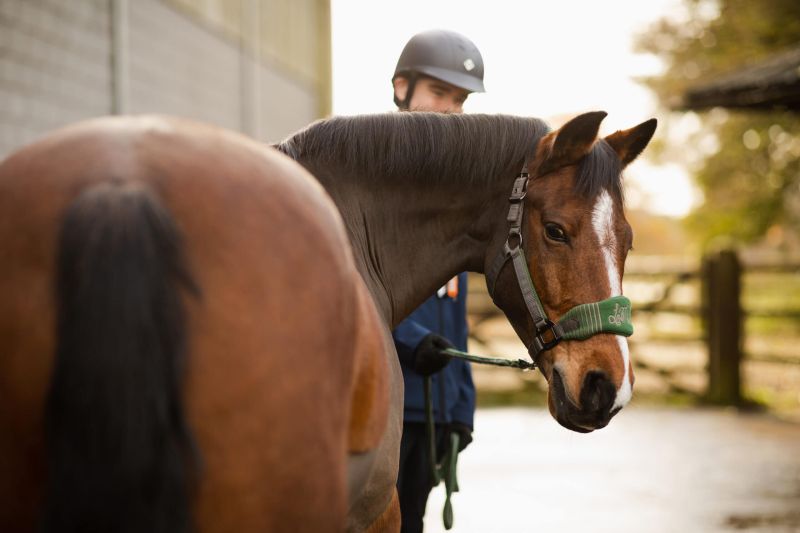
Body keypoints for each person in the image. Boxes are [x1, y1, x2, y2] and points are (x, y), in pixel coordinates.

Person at [390, 29, 484, 533]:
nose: (450, 109)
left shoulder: (454, 199)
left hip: (435, 409)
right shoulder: (376, 185)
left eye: (460, 99)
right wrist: (410, 341)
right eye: (438, 92)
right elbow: (357, 288)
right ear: (401, 87)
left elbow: (454, 312)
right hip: (386, 404)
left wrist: (461, 405)